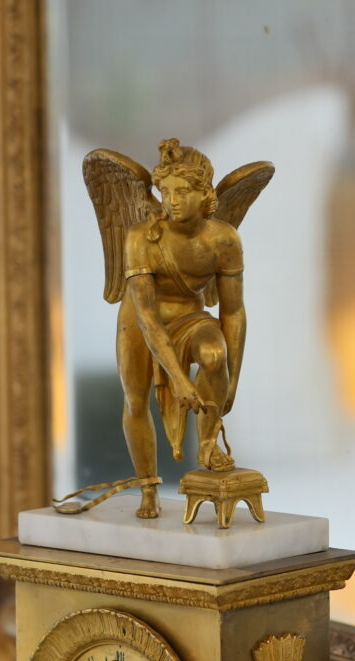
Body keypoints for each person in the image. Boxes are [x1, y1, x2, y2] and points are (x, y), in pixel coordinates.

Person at [119, 139, 245, 518]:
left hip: (191, 315)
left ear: (205, 194)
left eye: (183, 192)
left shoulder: (223, 239)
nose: (171, 200)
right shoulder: (141, 237)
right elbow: (146, 316)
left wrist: (231, 379)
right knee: (135, 400)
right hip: (141, 321)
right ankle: (148, 488)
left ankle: (207, 443)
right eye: (166, 192)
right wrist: (177, 377)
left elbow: (233, 312)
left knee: (214, 353)